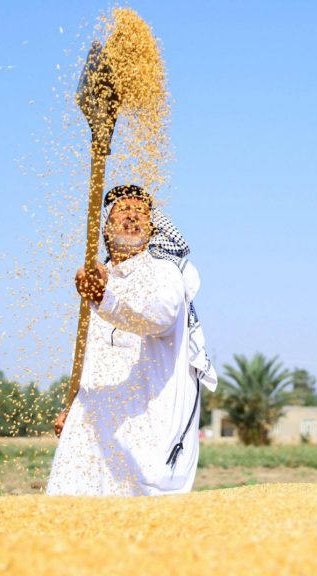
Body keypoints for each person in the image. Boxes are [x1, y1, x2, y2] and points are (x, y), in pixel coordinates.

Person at [46, 185, 216, 496]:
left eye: (141, 211)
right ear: (106, 229)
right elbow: (94, 361)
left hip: (147, 439)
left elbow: (158, 316)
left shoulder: (163, 272)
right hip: (91, 436)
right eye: (122, 210)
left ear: (153, 229)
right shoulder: (99, 278)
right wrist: (73, 407)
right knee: (68, 524)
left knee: (142, 534)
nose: (132, 214)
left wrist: (104, 297)